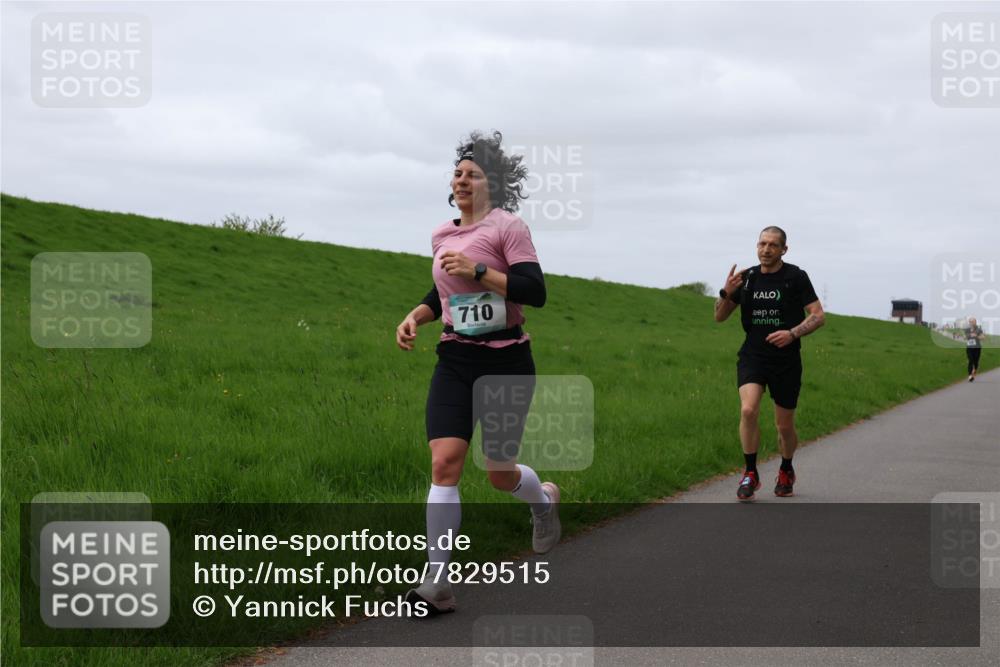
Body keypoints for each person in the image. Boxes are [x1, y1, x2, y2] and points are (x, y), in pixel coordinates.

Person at [395, 131, 560, 614]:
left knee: (497, 472)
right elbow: (443, 294)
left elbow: (534, 290)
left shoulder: (509, 227)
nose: (462, 179)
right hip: (456, 358)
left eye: (474, 173)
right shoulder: (441, 235)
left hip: (507, 360)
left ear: (494, 184)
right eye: (459, 172)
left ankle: (543, 502)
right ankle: (438, 582)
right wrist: (415, 317)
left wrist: (479, 269)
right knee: (444, 463)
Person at [714, 227, 825, 501]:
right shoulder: (747, 279)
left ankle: (786, 468)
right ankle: (750, 473)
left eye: (773, 245)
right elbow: (719, 316)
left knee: (783, 426)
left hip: (786, 360)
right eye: (762, 244)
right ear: (756, 246)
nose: (766, 249)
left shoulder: (795, 277)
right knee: (749, 410)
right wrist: (726, 293)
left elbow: (818, 315)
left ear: (783, 250)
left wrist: (792, 333)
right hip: (753, 355)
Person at [965, 317, 985, 382]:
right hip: (969, 348)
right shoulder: (967, 330)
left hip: (977, 348)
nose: (971, 323)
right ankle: (970, 376)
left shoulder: (979, 329)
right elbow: (965, 337)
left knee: (976, 362)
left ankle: (975, 370)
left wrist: (976, 336)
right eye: (970, 322)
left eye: (972, 321)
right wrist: (969, 336)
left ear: (975, 322)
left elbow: (983, 337)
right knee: (970, 361)